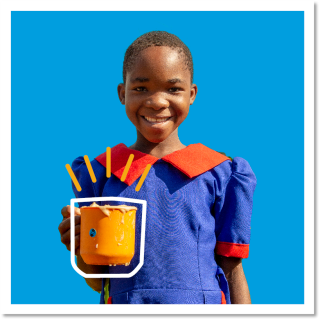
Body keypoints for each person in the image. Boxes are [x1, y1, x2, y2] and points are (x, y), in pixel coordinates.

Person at [58, 31, 257, 304]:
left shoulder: (218, 172)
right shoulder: (101, 173)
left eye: (173, 89)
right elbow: (98, 280)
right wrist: (80, 248)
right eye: (141, 88)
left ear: (191, 94)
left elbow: (231, 267)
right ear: (122, 93)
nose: (157, 101)